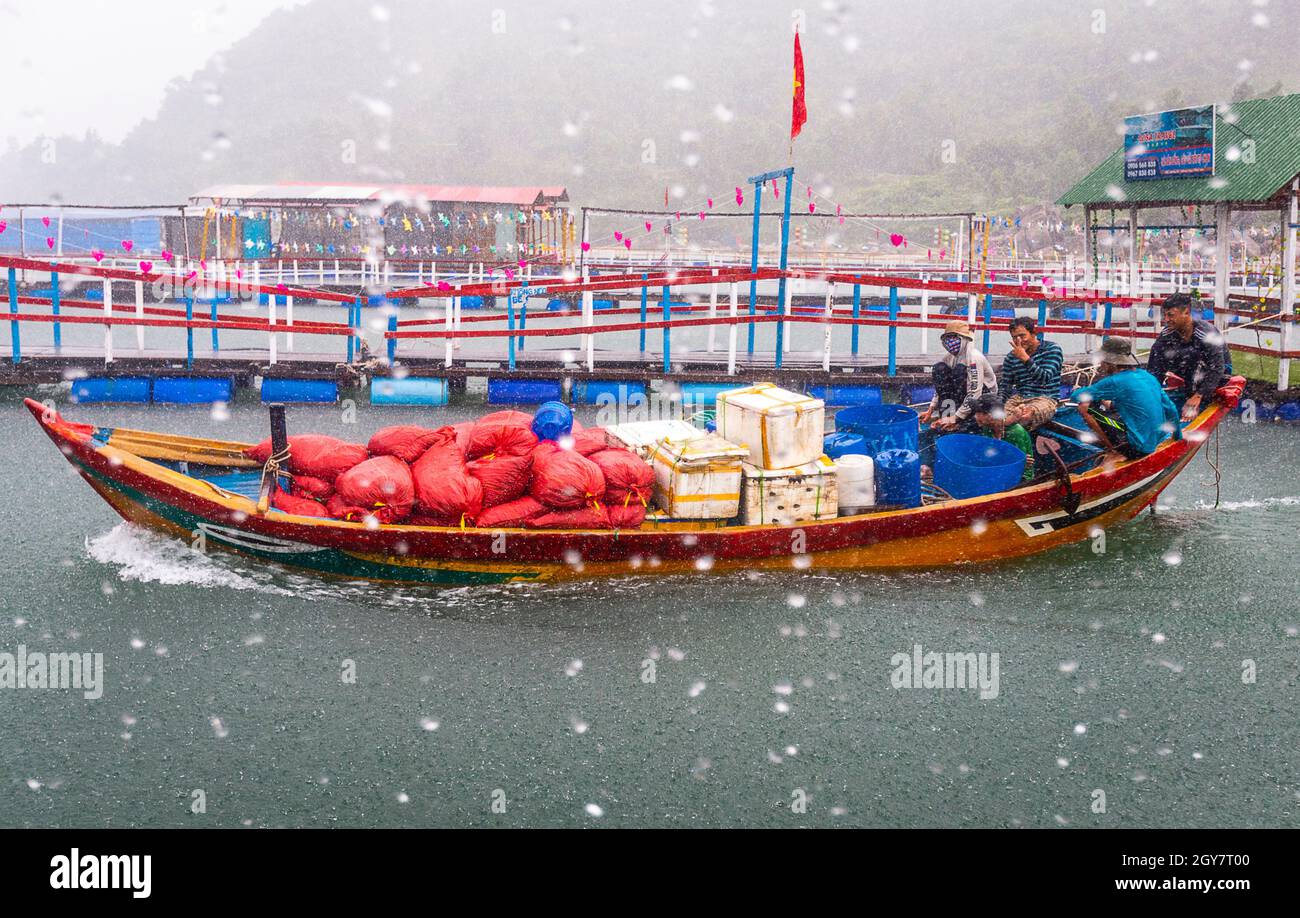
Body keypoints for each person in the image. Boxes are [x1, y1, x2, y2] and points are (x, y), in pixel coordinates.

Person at [1073, 337, 1181, 461]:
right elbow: (1171, 408)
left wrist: (1079, 390)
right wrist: (1178, 435)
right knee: (1116, 403)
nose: (1101, 364)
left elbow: (1076, 397)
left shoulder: (1115, 381)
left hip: (1137, 449)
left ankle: (1114, 451)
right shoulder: (1147, 376)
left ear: (1111, 362)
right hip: (1157, 439)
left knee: (1084, 407)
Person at [1146, 292, 1231, 421]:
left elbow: (1218, 368)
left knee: (1192, 355)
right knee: (1160, 352)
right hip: (1190, 372)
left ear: (1186, 312)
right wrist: (1151, 394)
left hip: (1218, 372)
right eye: (1165, 315)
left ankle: (1197, 398)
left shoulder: (1206, 334)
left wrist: (1198, 396)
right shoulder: (1167, 334)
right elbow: (1155, 367)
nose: (1166, 319)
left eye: (1171, 315)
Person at [919, 320, 997, 433]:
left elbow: (974, 393)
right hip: (961, 395)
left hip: (982, 397)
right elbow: (940, 388)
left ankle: (960, 420)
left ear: (965, 339)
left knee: (959, 371)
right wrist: (931, 409)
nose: (950, 342)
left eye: (954, 337)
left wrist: (956, 418)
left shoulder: (974, 358)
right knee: (939, 368)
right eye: (947, 338)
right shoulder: (948, 358)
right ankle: (946, 417)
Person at [999, 316, 1063, 429]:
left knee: (1025, 417)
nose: (1019, 340)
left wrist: (1025, 359)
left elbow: (1044, 378)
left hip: (1045, 398)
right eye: (1014, 337)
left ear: (1033, 333)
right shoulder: (1011, 357)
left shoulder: (1052, 349)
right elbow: (1005, 387)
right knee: (993, 419)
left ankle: (1009, 427)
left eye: (1022, 335)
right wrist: (997, 406)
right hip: (1019, 398)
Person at [969, 393, 1035, 481]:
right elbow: (988, 456)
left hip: (1019, 478)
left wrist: (1013, 461)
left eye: (978, 413)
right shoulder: (987, 429)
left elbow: (1020, 466)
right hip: (996, 471)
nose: (975, 416)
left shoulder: (1015, 432)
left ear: (990, 415)